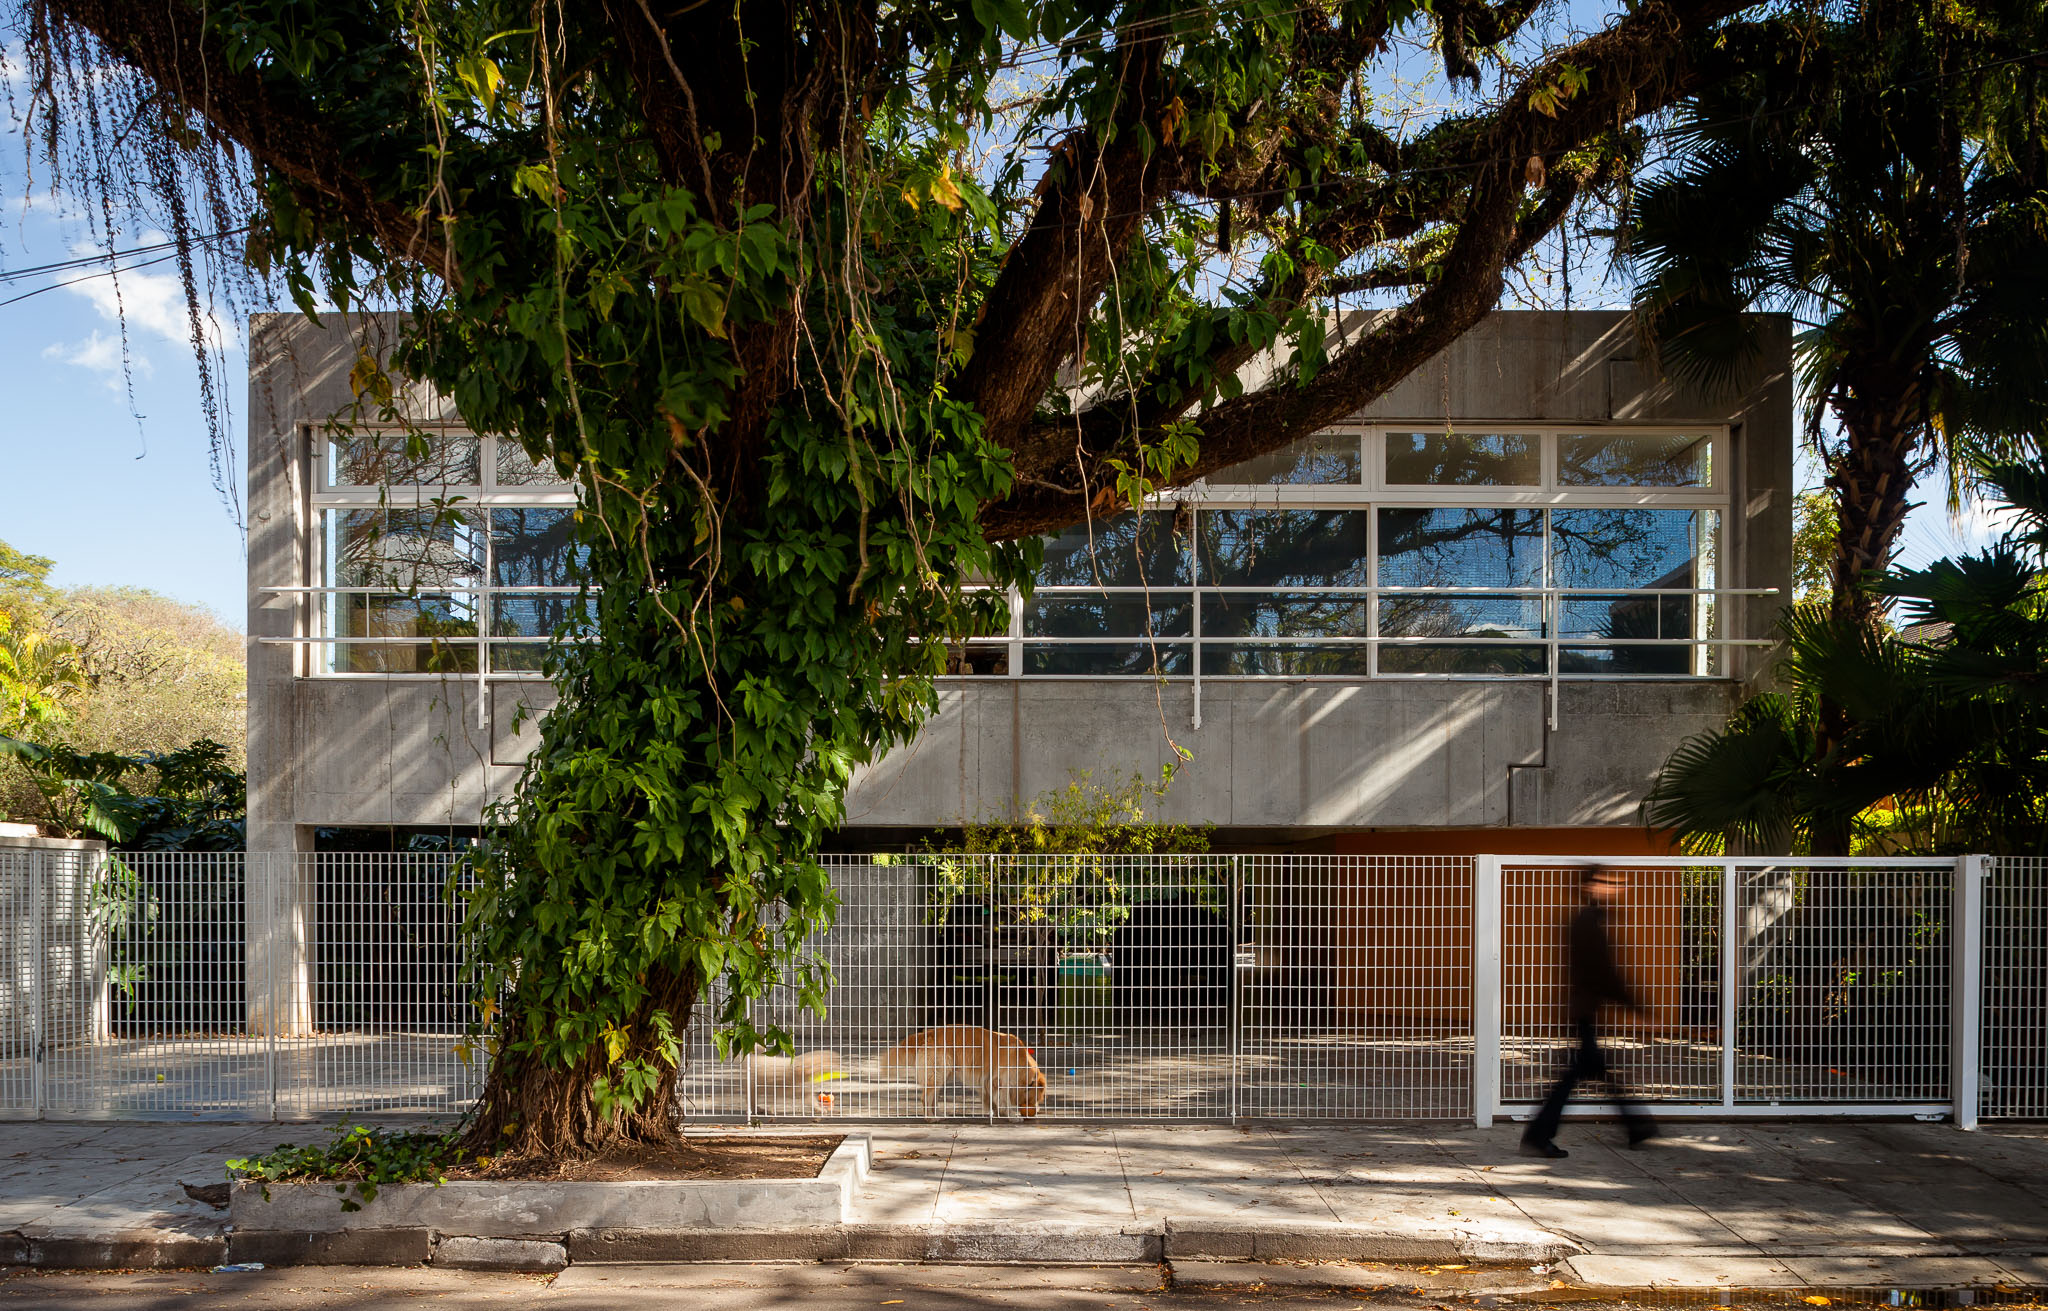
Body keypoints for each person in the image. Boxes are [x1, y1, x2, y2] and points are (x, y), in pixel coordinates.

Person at [1520, 864, 1658, 1158]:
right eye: (1608, 882)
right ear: (1590, 886)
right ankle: (1538, 1135)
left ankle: (1638, 1127)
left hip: (1585, 1010)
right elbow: (1601, 972)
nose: (1617, 887)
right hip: (1583, 1011)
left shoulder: (1593, 918)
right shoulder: (1587, 922)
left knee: (1593, 1069)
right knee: (1578, 1073)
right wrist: (1635, 1003)